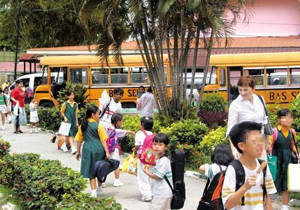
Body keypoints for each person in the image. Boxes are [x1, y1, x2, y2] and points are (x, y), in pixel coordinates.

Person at [222, 121, 276, 210]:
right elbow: (228, 205)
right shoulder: (233, 169)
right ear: (241, 146)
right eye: (254, 141)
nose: (260, 145)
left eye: (261, 140)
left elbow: (266, 199)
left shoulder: (263, 166)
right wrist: (245, 187)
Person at [227, 76, 268, 159]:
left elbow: (265, 122)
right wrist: (234, 149)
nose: (242, 93)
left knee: (262, 170)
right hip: (244, 146)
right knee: (249, 171)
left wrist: (267, 144)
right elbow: (230, 130)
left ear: (253, 89)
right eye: (240, 90)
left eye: (245, 90)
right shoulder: (235, 105)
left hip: (260, 145)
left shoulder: (260, 99)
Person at [75, 105, 110, 198]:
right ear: (92, 115)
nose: (99, 116)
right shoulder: (99, 126)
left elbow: (78, 140)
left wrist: (78, 152)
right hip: (99, 149)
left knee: (91, 170)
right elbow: (103, 140)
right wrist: (107, 152)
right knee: (99, 168)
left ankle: (93, 191)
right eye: (98, 114)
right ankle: (99, 187)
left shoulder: (83, 125)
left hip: (88, 149)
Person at [268, 109, 299, 210]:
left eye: (290, 117)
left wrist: (297, 153)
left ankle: (285, 206)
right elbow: (269, 146)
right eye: (284, 117)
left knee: (286, 182)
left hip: (288, 160)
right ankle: (268, 204)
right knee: (272, 182)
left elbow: (292, 145)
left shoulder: (292, 132)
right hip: (276, 161)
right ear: (279, 120)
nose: (288, 119)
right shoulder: (274, 132)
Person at [144, 133, 173, 210]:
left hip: (162, 193)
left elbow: (158, 176)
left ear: (166, 147)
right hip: (162, 193)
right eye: (155, 144)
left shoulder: (164, 160)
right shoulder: (160, 159)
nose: (156, 146)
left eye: (160, 145)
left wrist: (146, 172)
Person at [108, 113, 135, 187]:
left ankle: (102, 182)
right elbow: (128, 132)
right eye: (121, 121)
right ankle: (117, 180)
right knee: (116, 165)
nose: (122, 123)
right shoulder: (116, 131)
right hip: (114, 149)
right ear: (118, 122)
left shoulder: (108, 128)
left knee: (106, 164)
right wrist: (134, 134)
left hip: (107, 149)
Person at [134, 116, 154, 202]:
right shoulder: (152, 134)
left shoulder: (139, 133)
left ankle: (146, 195)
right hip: (152, 158)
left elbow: (137, 146)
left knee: (142, 177)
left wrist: (135, 149)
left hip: (143, 158)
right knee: (150, 176)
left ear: (142, 125)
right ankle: (151, 193)